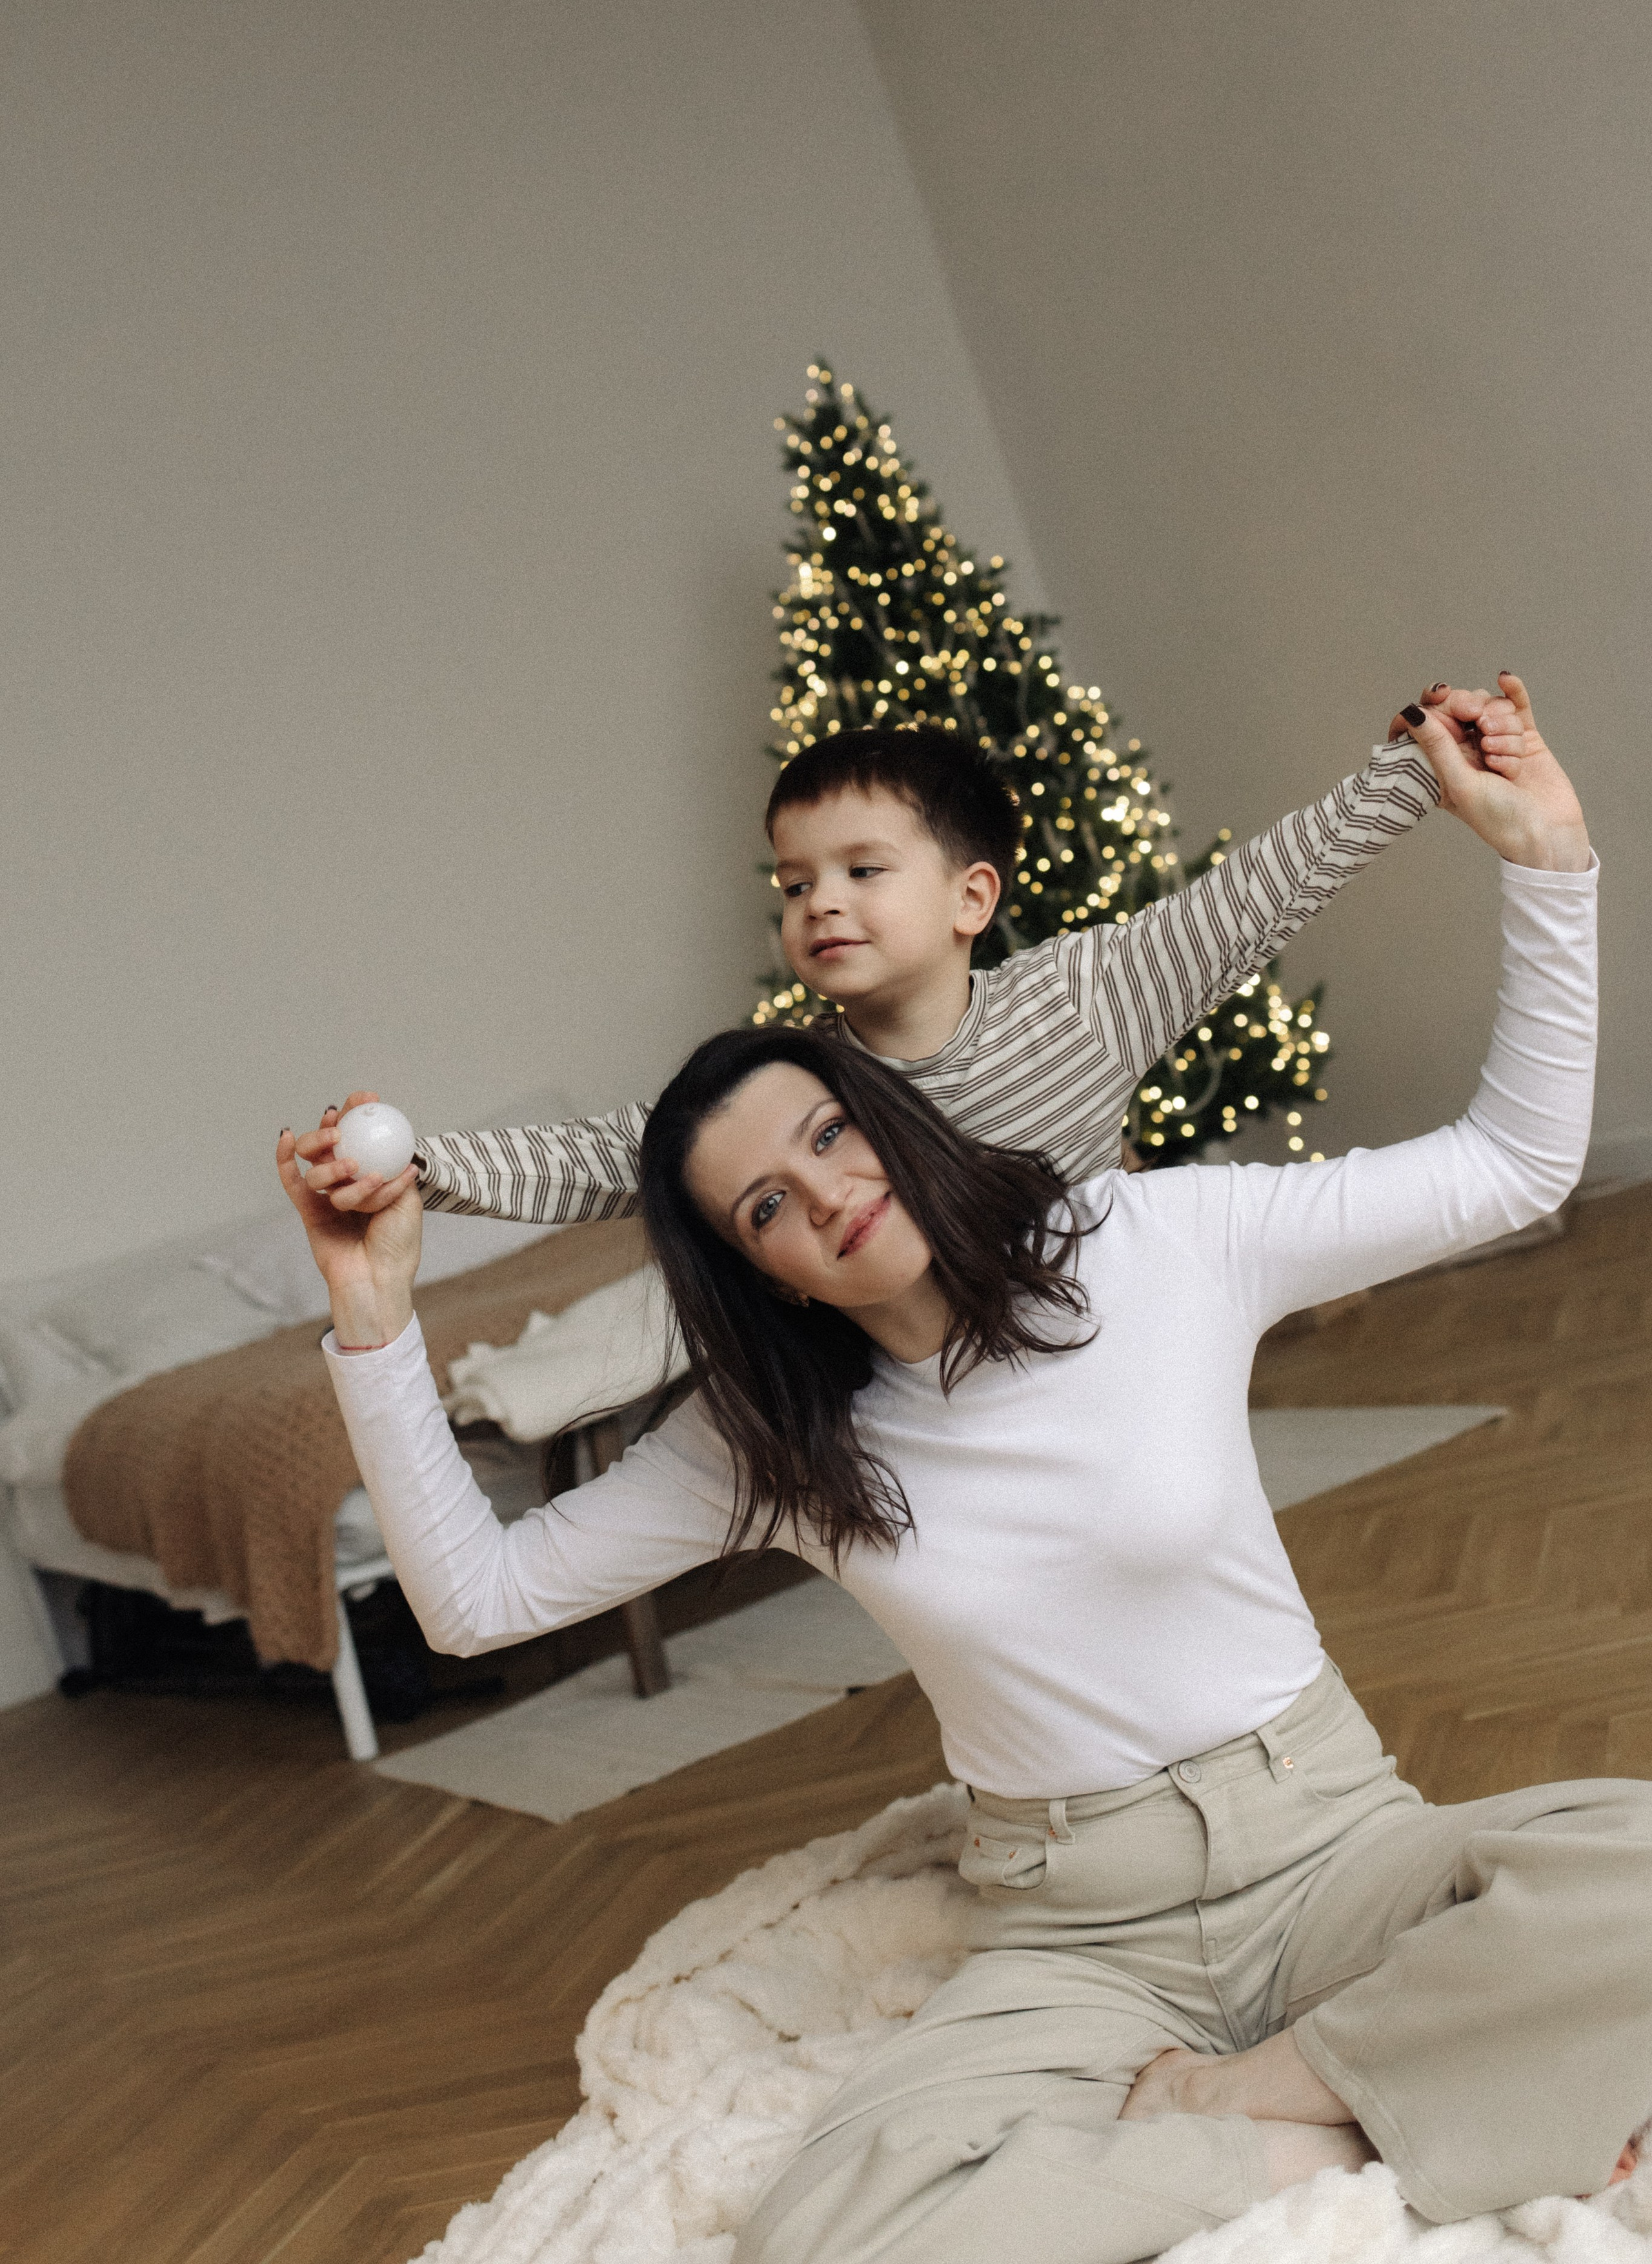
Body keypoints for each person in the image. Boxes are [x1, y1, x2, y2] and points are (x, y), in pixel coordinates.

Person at [278, 678, 1647, 2264]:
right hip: (1084, 1929)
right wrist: (373, 1315)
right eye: (765, 1209)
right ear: (760, 1271)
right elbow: (473, 1602)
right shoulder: (773, 1441)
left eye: (827, 1139)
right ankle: (1310, 2136)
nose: (820, 1197)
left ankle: (1274, 2090)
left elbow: (1511, 1166)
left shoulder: (1148, 1245)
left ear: (886, 1114)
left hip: (1330, 1843)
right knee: (831, 2226)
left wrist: (1545, 860)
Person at [294, 685, 1518, 1226]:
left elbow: (1254, 893)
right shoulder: (795, 1087)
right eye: (795, 884)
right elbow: (615, 1155)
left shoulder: (1085, 998)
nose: (820, 903)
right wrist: (427, 1170)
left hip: (1130, 1354)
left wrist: (1417, 765)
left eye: (862, 871)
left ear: (971, 897)